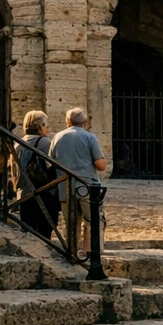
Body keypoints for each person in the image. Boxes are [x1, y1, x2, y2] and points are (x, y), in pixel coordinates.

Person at [48, 107, 106, 259]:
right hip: (87, 187)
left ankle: (71, 251)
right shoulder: (90, 137)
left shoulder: (57, 137)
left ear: (67, 122)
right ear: (85, 122)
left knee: (71, 222)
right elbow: (101, 165)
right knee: (92, 219)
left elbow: (51, 162)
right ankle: (92, 253)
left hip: (65, 187)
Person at [13, 110, 60, 237]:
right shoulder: (44, 143)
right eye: (45, 125)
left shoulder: (18, 142)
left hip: (23, 193)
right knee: (44, 230)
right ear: (40, 126)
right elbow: (53, 165)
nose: (47, 128)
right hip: (41, 192)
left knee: (28, 230)